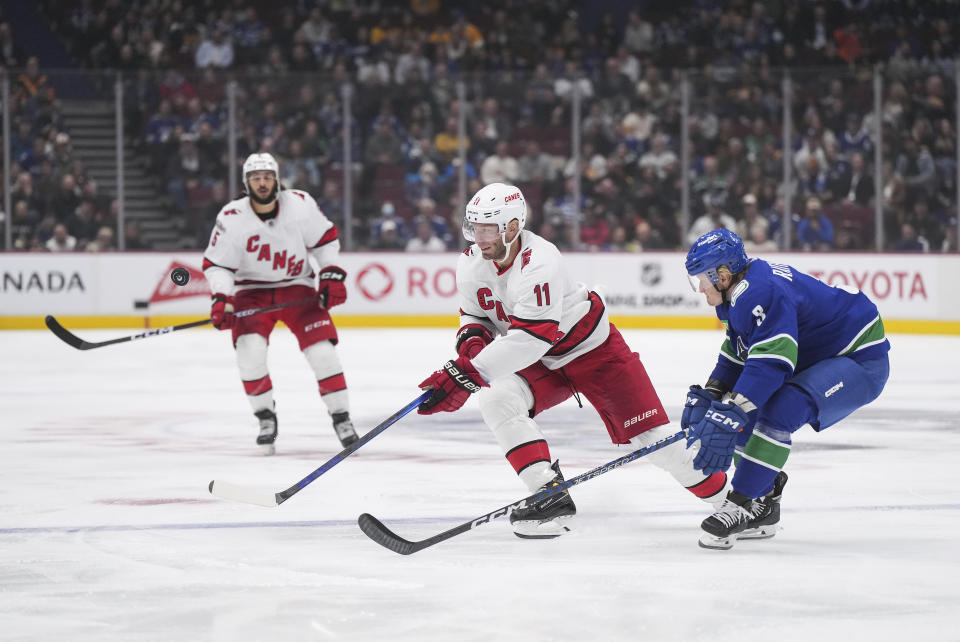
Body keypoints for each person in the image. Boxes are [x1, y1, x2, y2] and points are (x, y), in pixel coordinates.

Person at [415, 183, 729, 539]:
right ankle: (549, 496)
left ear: (514, 227)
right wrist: (471, 353)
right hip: (543, 358)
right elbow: (475, 317)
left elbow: (532, 338)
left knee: (655, 442)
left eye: (487, 228)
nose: (478, 237)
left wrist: (467, 374)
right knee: (497, 398)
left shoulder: (541, 260)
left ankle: (735, 501)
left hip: (595, 353)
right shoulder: (471, 262)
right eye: (473, 227)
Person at [681, 229, 890, 550]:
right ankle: (763, 503)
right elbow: (740, 350)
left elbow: (770, 363)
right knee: (744, 419)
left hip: (859, 358)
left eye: (701, 280)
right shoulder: (740, 291)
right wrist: (713, 391)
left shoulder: (758, 293)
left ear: (722, 275)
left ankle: (740, 504)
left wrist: (733, 409)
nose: (700, 289)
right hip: (822, 353)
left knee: (778, 412)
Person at [202, 153, 359, 454]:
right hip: (251, 293)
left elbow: (325, 239)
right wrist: (222, 297)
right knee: (251, 354)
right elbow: (217, 264)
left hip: (298, 290)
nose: (262, 183)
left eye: (267, 177)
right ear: (246, 183)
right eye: (255, 178)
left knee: (324, 354)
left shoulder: (299, 204)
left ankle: (342, 418)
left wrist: (330, 274)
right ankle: (265, 417)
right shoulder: (231, 217)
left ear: (277, 179)